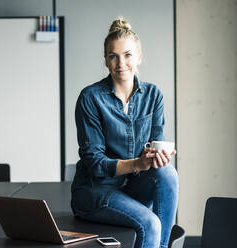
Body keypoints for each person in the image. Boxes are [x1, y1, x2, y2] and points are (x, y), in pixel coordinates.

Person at [71, 17, 178, 248]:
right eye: (113, 56)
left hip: (131, 188)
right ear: (106, 60)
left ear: (139, 57)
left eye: (128, 55)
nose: (121, 63)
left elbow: (155, 145)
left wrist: (158, 159)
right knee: (150, 223)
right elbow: (95, 163)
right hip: (96, 191)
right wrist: (139, 164)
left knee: (168, 173)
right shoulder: (90, 98)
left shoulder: (153, 95)